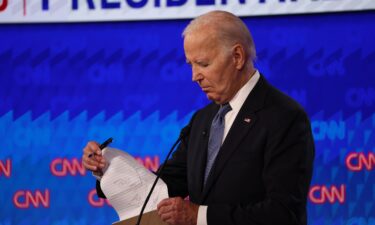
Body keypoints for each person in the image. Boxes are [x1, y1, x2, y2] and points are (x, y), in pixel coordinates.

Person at [82, 10, 315, 225]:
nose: (195, 76)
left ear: (237, 57)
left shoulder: (284, 117)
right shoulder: (203, 120)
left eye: (203, 64)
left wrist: (199, 216)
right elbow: (164, 187)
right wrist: (109, 169)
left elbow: (284, 214)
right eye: (191, 65)